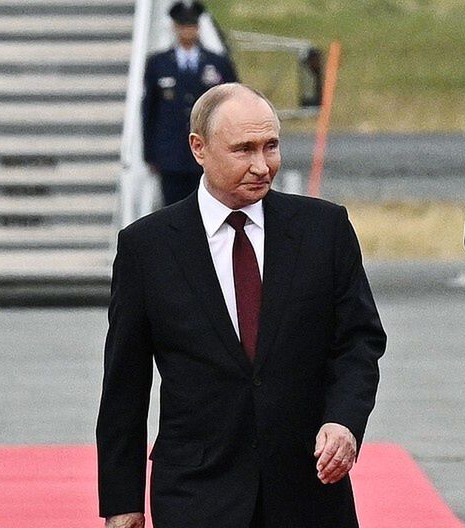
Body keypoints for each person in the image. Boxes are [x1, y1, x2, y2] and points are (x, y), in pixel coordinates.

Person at [97, 83, 386, 528]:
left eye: (271, 146)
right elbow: (125, 385)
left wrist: (343, 421)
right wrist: (123, 501)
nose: (261, 165)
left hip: (307, 492)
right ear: (199, 148)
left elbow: (358, 343)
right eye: (243, 149)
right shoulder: (147, 248)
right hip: (196, 493)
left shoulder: (324, 230)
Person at [143, 0, 238, 206]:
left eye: (192, 25)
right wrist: (150, 153)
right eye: (183, 26)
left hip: (208, 150)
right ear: (175, 27)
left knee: (209, 206)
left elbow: (232, 103)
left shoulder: (217, 63)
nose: (188, 31)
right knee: (173, 209)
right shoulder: (158, 64)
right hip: (171, 153)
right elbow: (149, 111)